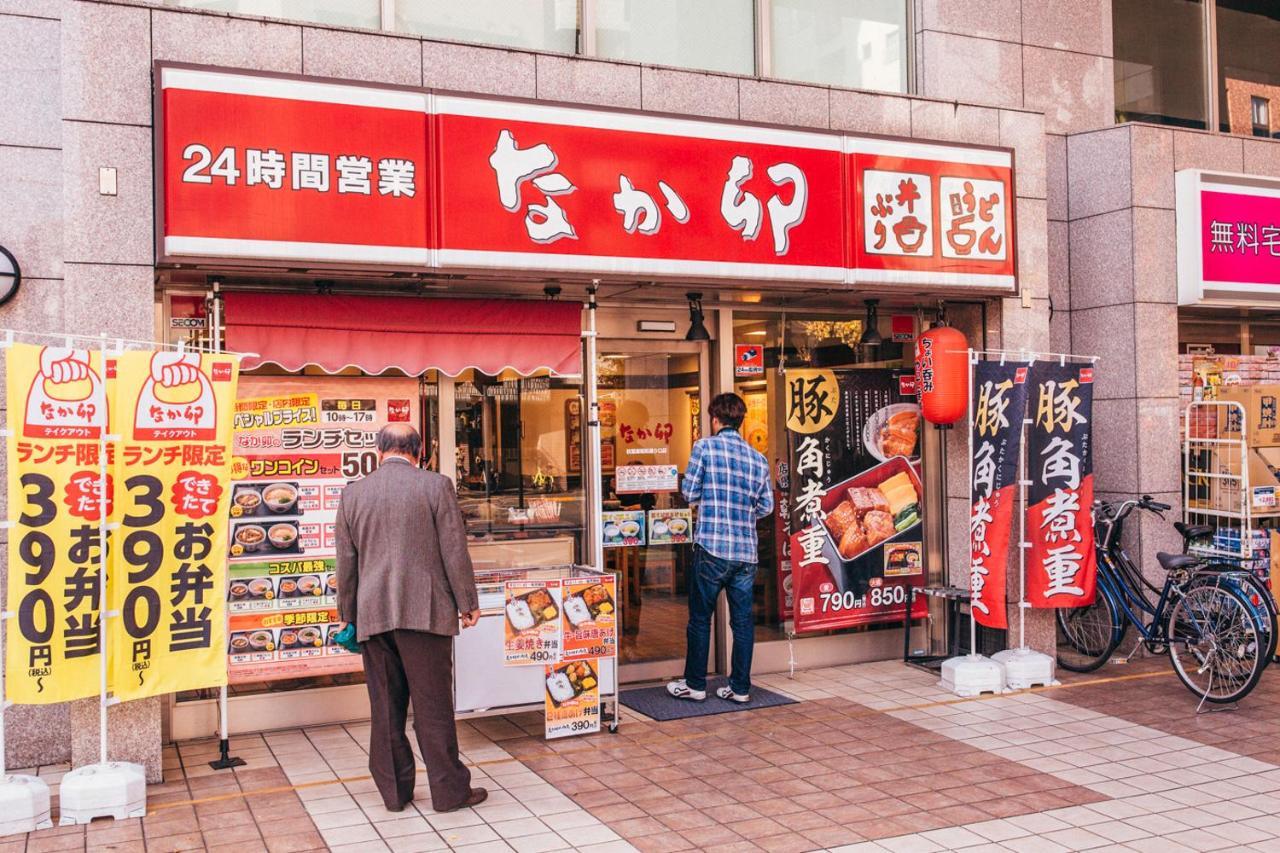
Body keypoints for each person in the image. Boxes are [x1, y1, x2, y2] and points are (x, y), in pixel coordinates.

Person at [335, 423, 488, 814]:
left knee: (385, 708)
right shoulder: (436, 486)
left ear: (379, 451)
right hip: (427, 613)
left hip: (373, 615)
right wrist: (467, 601)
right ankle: (449, 791)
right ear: (420, 452)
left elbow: (346, 564)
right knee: (432, 706)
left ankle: (395, 794)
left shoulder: (353, 494)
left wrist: (346, 616)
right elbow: (454, 551)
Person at [667, 393, 774, 704]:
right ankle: (739, 688)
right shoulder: (757, 458)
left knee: (700, 618)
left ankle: (695, 684)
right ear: (740, 421)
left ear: (715, 419)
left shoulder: (705, 447)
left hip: (712, 546)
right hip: (745, 552)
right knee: (742, 622)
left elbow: (689, 492)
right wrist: (742, 515)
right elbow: (766, 505)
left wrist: (712, 502)